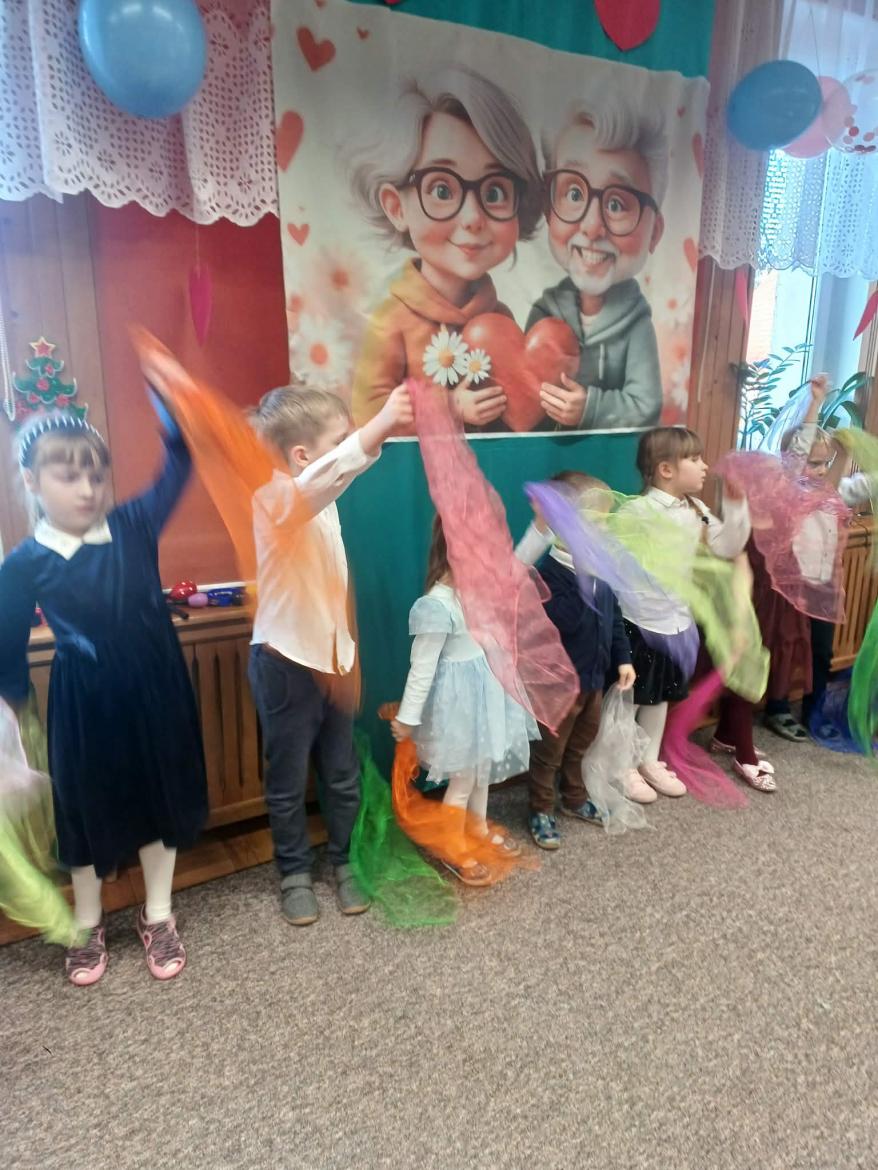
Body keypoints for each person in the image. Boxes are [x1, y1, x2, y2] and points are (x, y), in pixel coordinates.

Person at [0, 406, 207, 985]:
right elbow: (6, 644)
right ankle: (88, 921)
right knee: (85, 809)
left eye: (96, 475)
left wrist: (167, 402)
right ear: (32, 481)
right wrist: (11, 709)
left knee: (157, 797)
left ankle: (158, 912)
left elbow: (179, 463)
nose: (88, 489)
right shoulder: (24, 562)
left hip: (155, 691)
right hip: (85, 705)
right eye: (69, 477)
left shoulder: (133, 524)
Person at [243, 382, 413, 926]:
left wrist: (346, 657)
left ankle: (343, 861)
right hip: (285, 666)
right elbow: (329, 476)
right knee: (288, 779)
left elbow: (335, 478)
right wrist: (378, 426)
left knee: (341, 773)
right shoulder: (274, 501)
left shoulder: (324, 501)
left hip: (332, 663)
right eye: (337, 440)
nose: (347, 449)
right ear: (302, 455)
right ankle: (294, 872)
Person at [347, 64, 543, 432]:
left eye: (495, 192)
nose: (473, 217)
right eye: (442, 189)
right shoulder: (391, 321)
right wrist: (449, 407)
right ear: (396, 206)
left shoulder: (499, 319)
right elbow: (368, 415)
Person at [390, 516, 535, 884]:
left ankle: (479, 827)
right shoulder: (436, 605)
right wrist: (407, 718)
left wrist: (541, 530)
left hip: (486, 700)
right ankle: (453, 846)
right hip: (460, 711)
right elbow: (422, 668)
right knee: (463, 780)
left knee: (481, 770)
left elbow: (516, 568)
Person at [621, 426, 754, 798]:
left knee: (661, 696)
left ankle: (648, 760)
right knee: (631, 700)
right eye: (694, 459)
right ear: (666, 469)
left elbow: (728, 546)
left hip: (676, 624)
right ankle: (622, 765)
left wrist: (736, 505)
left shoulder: (696, 510)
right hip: (640, 623)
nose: (704, 466)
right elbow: (615, 562)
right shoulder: (638, 511)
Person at [528, 92, 668, 431]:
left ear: (654, 232)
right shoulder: (544, 311)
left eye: (617, 205)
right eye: (574, 194)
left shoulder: (635, 323)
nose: (592, 227)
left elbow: (646, 404)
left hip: (605, 457)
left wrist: (591, 407)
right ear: (548, 208)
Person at [518, 472, 635, 850]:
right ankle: (540, 808)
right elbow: (562, 621)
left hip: (594, 681)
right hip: (559, 688)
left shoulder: (601, 571)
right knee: (549, 752)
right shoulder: (549, 575)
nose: (603, 533)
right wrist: (584, 578)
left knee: (582, 743)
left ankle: (573, 796)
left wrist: (623, 659)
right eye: (595, 524)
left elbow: (614, 619)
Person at [760, 374, 872, 740]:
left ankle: (814, 708)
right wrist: (815, 404)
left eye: (824, 463)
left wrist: (845, 452)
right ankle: (777, 708)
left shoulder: (830, 494)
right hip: (793, 586)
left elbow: (848, 482)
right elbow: (798, 455)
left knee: (821, 651)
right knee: (787, 648)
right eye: (813, 463)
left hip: (823, 586)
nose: (819, 470)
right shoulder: (790, 492)